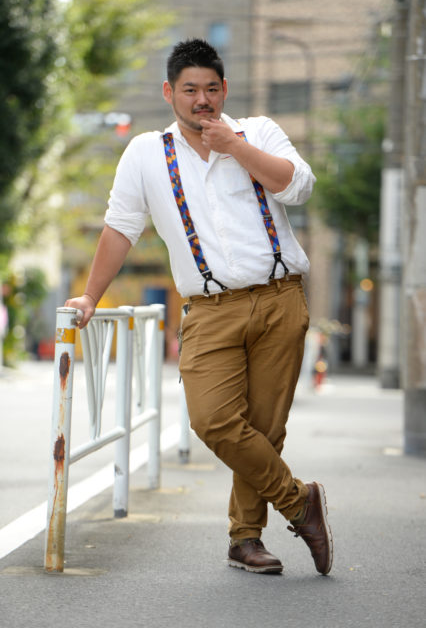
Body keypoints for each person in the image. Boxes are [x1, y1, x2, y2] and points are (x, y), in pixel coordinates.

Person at [66, 38, 333, 576]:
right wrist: (90, 295)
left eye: (211, 88)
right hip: (209, 309)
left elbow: (297, 187)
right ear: (170, 94)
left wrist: (235, 147)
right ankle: (299, 501)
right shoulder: (146, 153)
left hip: (279, 298)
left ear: (225, 90)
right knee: (212, 420)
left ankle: (245, 540)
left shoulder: (257, 132)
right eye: (190, 90)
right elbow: (121, 227)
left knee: (265, 428)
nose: (202, 100)